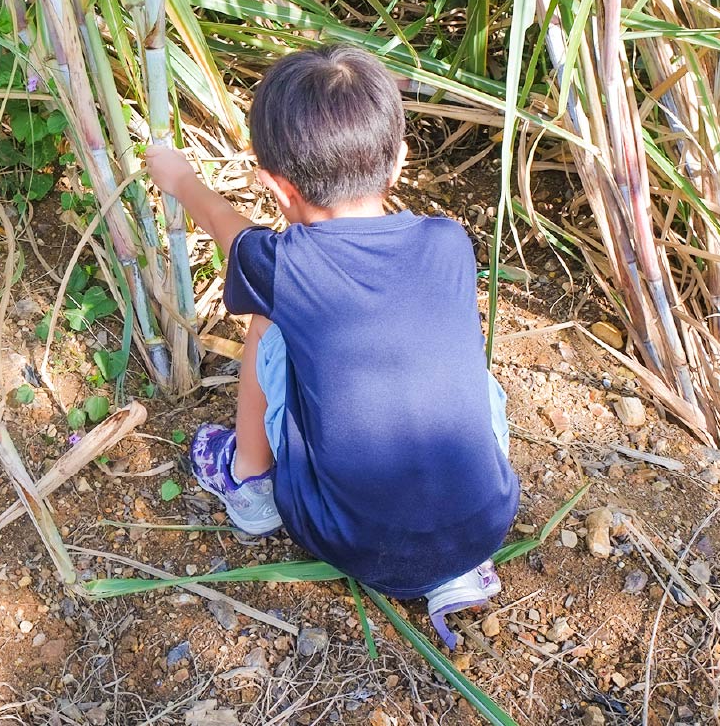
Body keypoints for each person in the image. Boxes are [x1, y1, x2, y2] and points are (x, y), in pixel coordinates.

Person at [144, 43, 521, 646]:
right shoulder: (449, 242)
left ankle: (250, 484)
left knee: (266, 325)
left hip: (351, 539)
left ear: (276, 187)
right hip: (484, 522)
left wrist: (182, 179)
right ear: (398, 161)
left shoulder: (283, 267)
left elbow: (227, 229)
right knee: (474, 379)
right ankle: (458, 569)